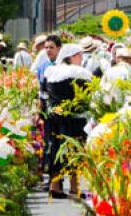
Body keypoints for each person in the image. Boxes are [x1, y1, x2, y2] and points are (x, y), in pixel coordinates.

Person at [43, 42, 92, 199]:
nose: (81, 59)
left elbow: (44, 95)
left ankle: (55, 186)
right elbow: (86, 95)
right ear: (72, 57)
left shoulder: (50, 72)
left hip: (54, 115)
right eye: (80, 56)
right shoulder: (79, 73)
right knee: (74, 149)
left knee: (55, 148)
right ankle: (74, 186)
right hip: (73, 117)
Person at [35, 34, 62, 183]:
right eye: (46, 48)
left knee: (58, 143)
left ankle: (58, 177)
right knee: (48, 142)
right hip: (47, 111)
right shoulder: (42, 67)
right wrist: (39, 111)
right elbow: (40, 91)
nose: (48, 50)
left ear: (59, 48)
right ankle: (51, 177)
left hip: (60, 110)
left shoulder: (62, 65)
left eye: (51, 47)